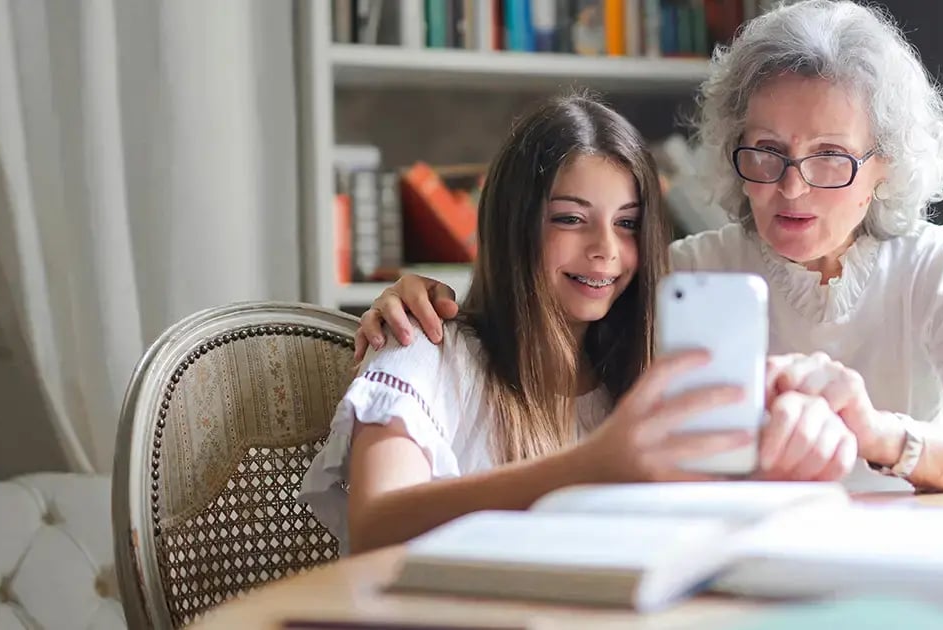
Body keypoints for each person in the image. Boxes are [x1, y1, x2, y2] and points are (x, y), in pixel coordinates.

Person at [352, 1, 943, 493]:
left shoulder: (940, 266)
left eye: (831, 158)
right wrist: (422, 298)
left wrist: (878, 434)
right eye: (767, 152)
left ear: (885, 165)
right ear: (730, 146)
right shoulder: (683, 274)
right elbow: (543, 329)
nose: (792, 189)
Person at [298, 94, 857, 555]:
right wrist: (591, 466)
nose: (606, 252)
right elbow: (375, 526)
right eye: (570, 219)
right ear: (514, 224)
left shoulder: (641, 377)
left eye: (628, 224)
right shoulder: (425, 347)